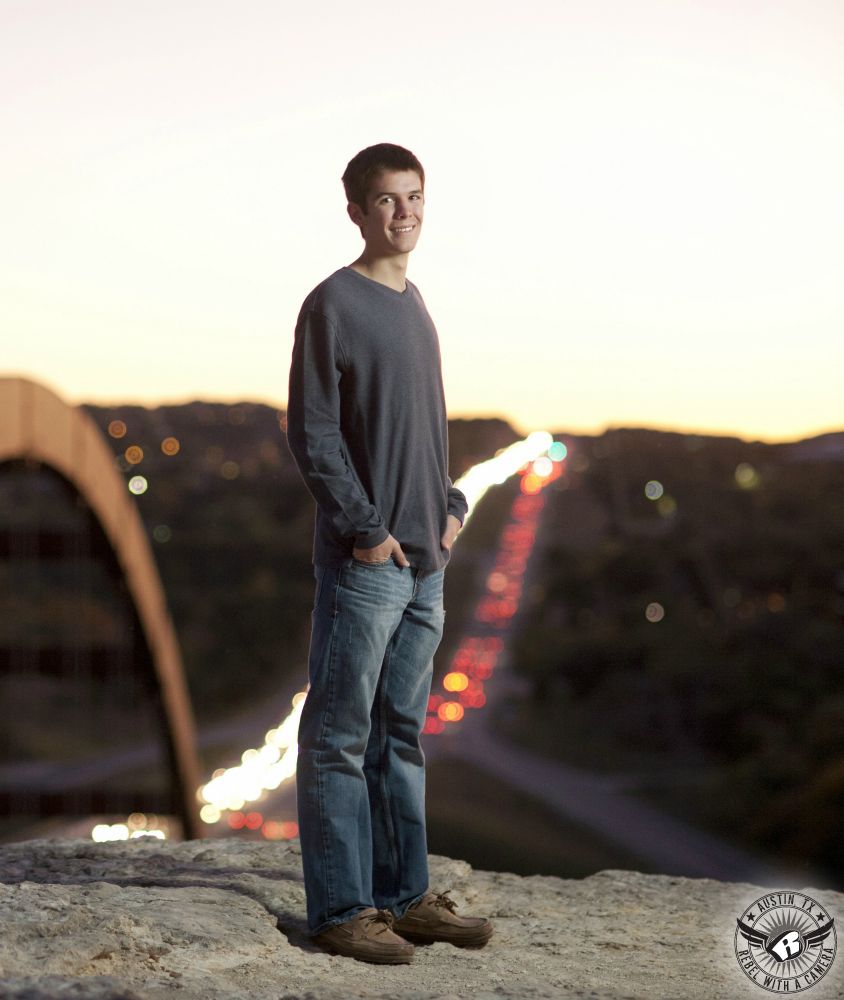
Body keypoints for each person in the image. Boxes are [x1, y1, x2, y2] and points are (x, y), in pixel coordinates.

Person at [284, 142, 494, 965]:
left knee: (399, 736)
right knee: (338, 736)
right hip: (367, 566)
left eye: (413, 197)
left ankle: (405, 899)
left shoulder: (416, 303)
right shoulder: (332, 303)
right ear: (355, 211)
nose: (403, 212)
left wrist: (449, 506)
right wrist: (366, 531)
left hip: (426, 567)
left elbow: (422, 430)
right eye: (385, 199)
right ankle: (341, 908)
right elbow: (313, 430)